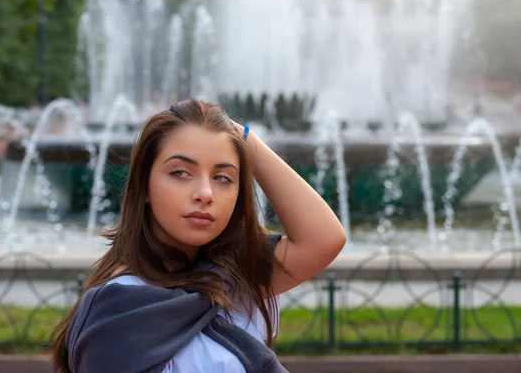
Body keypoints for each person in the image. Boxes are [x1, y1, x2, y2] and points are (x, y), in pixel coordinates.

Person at [50, 99, 346, 373]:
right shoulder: (118, 307)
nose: (205, 194)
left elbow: (323, 238)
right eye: (180, 172)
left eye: (222, 177)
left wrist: (244, 139)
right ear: (144, 188)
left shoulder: (234, 274)